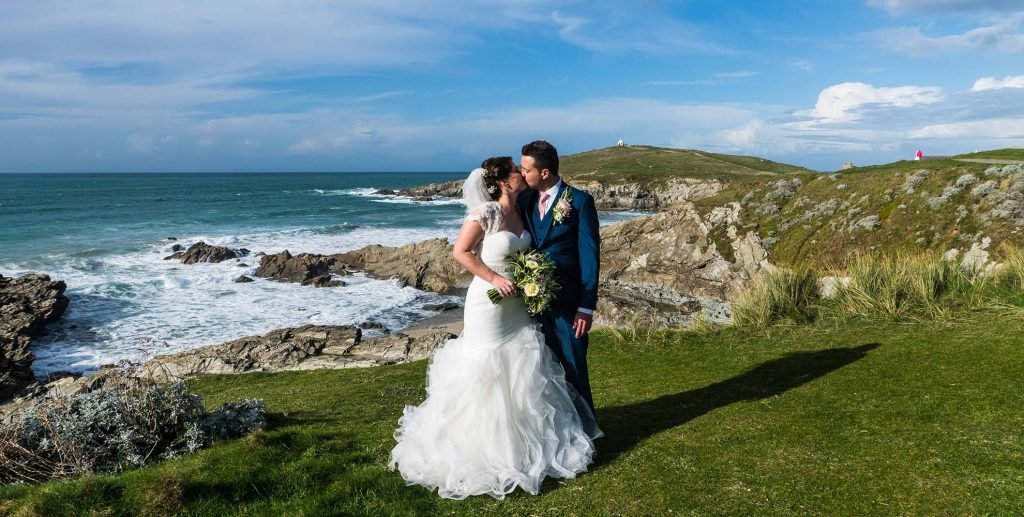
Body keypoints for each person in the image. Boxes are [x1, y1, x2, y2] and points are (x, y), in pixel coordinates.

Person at [389, 156, 597, 500]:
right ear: (502, 180)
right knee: (486, 368)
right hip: (488, 303)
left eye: (523, 168)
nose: (521, 173)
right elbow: (461, 252)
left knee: (522, 368)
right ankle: (479, 450)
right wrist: (494, 278)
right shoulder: (487, 213)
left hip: (518, 305)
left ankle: (525, 446)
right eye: (517, 170)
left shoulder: (525, 206)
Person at [517, 140, 601, 437]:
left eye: (526, 169)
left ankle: (586, 434)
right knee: (543, 371)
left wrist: (586, 306)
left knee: (574, 369)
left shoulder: (579, 202)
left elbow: (590, 257)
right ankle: (554, 434)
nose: (521, 172)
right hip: (530, 304)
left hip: (569, 305)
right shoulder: (525, 200)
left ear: (545, 172)